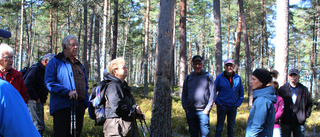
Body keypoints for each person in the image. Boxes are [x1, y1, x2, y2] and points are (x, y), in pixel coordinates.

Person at [45, 35, 89, 137]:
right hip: (62, 107)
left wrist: (85, 103)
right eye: (72, 45)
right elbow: (49, 83)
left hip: (79, 107)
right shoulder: (55, 62)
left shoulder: (79, 65)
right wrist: (66, 92)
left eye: (77, 45)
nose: (76, 47)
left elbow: (85, 85)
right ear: (64, 47)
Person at [0, 29, 40, 136]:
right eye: (7, 57)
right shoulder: (3, 87)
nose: (11, 60)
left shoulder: (17, 75)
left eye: (12, 58)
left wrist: (20, 106)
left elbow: (23, 93)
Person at [103, 57, 144, 137]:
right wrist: (133, 110)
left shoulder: (123, 87)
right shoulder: (113, 86)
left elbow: (126, 108)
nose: (126, 69)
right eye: (123, 68)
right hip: (115, 128)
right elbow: (117, 107)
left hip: (124, 128)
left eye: (126, 67)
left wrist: (136, 114)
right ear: (115, 72)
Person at [182, 55, 216, 137]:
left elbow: (213, 94)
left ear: (202, 64)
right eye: (195, 64)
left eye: (199, 64)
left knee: (205, 134)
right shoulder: (188, 78)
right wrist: (186, 109)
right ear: (192, 65)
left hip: (203, 112)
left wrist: (207, 109)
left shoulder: (208, 77)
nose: (197, 66)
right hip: (191, 112)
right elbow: (184, 94)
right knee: (193, 134)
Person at [24, 53, 55, 136]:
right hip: (33, 102)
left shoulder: (44, 71)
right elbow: (27, 84)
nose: (53, 66)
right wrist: (36, 98)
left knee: (40, 125)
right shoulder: (36, 69)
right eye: (52, 63)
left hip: (38, 101)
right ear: (46, 61)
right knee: (37, 126)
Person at [278, 68, 313, 137]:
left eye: (295, 75)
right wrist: (280, 115)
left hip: (299, 122)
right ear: (288, 76)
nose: (293, 77)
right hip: (285, 122)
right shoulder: (282, 89)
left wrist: (305, 115)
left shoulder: (304, 90)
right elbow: (277, 103)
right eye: (291, 75)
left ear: (298, 76)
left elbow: (310, 103)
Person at [214, 59, 244, 137]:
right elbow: (213, 91)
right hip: (222, 106)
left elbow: (241, 92)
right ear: (225, 67)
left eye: (231, 65)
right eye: (227, 65)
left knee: (231, 128)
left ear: (233, 66)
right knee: (219, 127)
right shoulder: (220, 77)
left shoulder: (237, 78)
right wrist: (218, 102)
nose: (229, 67)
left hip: (233, 106)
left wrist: (237, 104)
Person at [245, 68, 278, 137]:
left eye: (254, 79)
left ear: (261, 82)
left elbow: (257, 126)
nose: (251, 82)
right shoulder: (264, 98)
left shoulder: (262, 100)